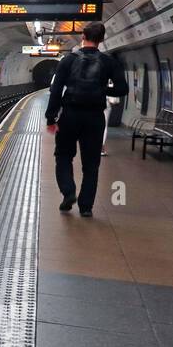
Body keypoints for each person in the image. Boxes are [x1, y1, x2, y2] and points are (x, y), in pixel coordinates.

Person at [45, 22, 127, 217]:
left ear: (83, 35)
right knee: (91, 164)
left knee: (63, 156)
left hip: (70, 115)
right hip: (94, 117)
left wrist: (51, 117)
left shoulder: (68, 60)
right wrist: (101, 89)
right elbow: (122, 89)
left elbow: (56, 90)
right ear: (102, 39)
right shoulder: (109, 62)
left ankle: (68, 191)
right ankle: (86, 207)